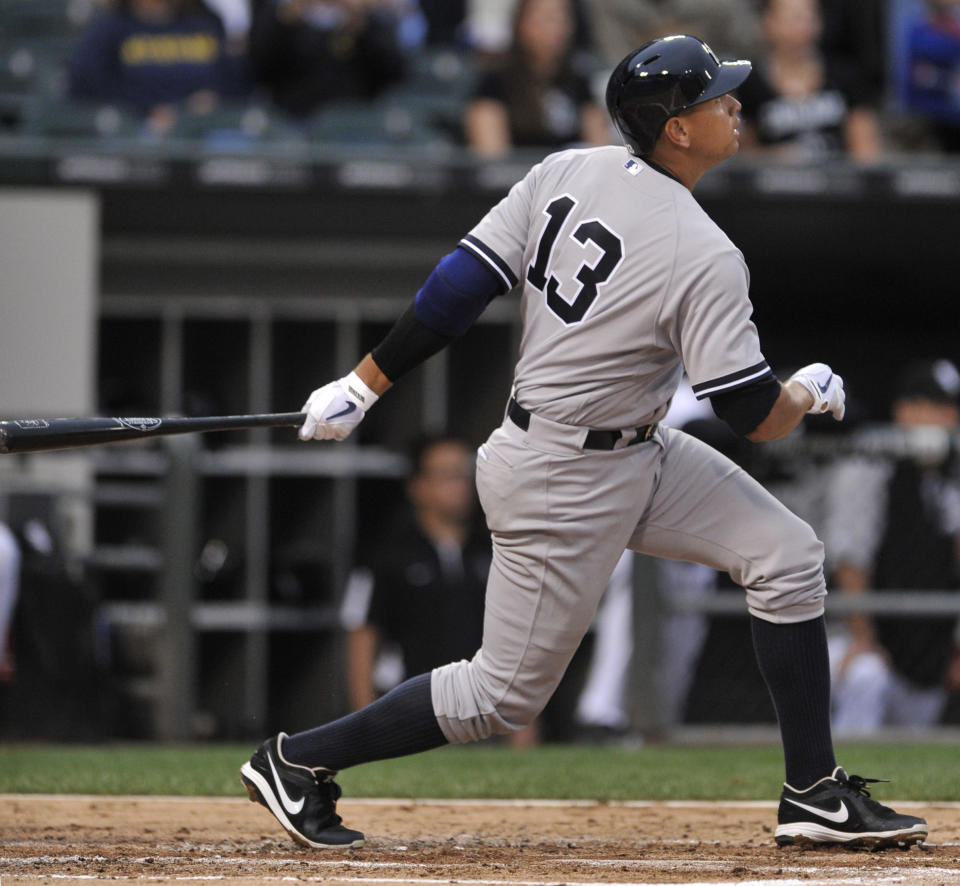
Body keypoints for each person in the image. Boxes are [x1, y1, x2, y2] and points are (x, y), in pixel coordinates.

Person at [239, 34, 927, 851]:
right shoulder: (703, 252)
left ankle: (812, 791)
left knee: (786, 556)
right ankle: (296, 760)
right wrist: (808, 390)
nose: (738, 105)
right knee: (501, 697)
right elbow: (755, 418)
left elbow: (456, 288)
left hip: (634, 449)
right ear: (675, 127)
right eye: (718, 97)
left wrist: (363, 384)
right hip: (561, 474)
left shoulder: (569, 168)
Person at [825, 358, 960, 734]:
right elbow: (850, 560)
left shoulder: (949, 473)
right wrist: (865, 639)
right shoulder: (870, 458)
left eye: (950, 408)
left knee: (911, 757)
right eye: (931, 406)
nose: (944, 418)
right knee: (867, 678)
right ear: (904, 410)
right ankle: (840, 786)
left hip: (924, 654)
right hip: (852, 639)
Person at [341, 435, 488, 712]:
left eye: (465, 474)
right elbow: (362, 635)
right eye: (448, 475)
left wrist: (522, 727)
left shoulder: (493, 552)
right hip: (406, 704)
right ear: (418, 486)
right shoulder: (385, 554)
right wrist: (369, 721)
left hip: (478, 710)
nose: (461, 485)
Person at [68, 0, 249, 134]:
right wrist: (148, 109)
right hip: (132, 127)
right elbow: (85, 84)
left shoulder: (204, 22)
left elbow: (236, 83)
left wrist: (212, 100)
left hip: (206, 129)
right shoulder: (110, 27)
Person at [736, 0, 882, 162]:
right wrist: (775, 157)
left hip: (838, 181)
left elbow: (866, 150)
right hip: (772, 182)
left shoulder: (844, 76)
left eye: (810, 15)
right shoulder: (749, 82)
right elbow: (743, 156)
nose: (804, 24)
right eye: (794, 17)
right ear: (768, 22)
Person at [463, 0, 610, 158]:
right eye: (547, 18)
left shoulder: (578, 82)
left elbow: (601, 152)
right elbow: (492, 159)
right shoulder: (494, 83)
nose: (557, 27)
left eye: (563, 17)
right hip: (519, 178)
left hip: (572, 178)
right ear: (521, 22)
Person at [247, 0, 409, 119]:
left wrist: (362, 23)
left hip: (354, 122)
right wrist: (286, 20)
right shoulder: (282, 15)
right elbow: (258, 68)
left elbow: (394, 71)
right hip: (292, 120)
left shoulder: (367, 19)